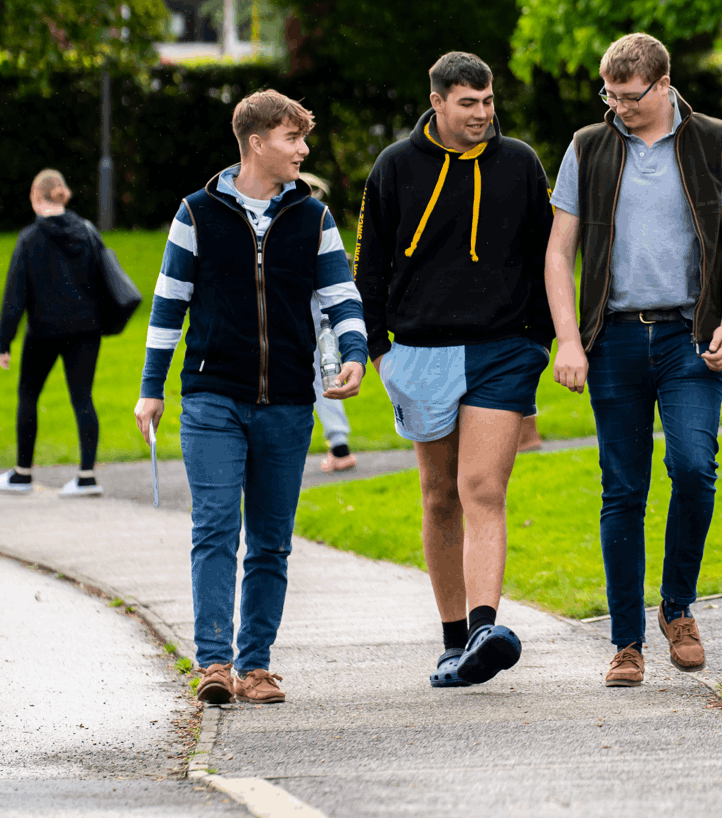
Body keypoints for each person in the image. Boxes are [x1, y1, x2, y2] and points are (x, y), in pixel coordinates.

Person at [133, 89, 366, 706]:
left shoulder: (313, 217)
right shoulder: (196, 213)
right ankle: (214, 663)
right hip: (213, 398)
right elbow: (168, 304)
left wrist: (355, 353)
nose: (303, 150)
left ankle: (255, 665)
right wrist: (152, 389)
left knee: (270, 541)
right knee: (215, 527)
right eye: (293, 138)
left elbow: (341, 296)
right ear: (257, 143)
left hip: (288, 402)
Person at [543, 33, 722, 687]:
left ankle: (677, 607)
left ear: (664, 84)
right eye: (608, 94)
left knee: (694, 468)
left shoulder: (716, 141)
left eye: (630, 95)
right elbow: (558, 252)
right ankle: (626, 643)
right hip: (612, 339)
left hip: (689, 336)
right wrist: (569, 339)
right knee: (623, 488)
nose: (618, 106)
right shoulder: (588, 146)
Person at [353, 51, 554, 688]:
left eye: (489, 101)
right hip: (418, 354)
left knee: (481, 489)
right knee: (439, 495)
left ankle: (484, 630)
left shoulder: (520, 163)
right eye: (469, 103)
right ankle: (452, 642)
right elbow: (369, 265)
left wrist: (540, 342)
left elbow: (548, 255)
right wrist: (378, 352)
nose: (483, 114)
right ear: (437, 102)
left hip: (503, 351)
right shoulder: (394, 167)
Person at [0, 170, 106, 497]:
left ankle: (22, 474)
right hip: (86, 330)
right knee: (82, 397)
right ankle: (87, 477)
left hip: (43, 331)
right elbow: (103, 280)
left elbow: (15, 295)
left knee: (29, 395)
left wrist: (4, 340)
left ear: (35, 197)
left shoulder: (30, 239)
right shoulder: (87, 232)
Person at [299, 173, 357, 473]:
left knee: (320, 374)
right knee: (325, 372)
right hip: (321, 311)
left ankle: (338, 445)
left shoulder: (303, 221)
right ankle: (339, 444)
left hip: (311, 310)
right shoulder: (316, 220)